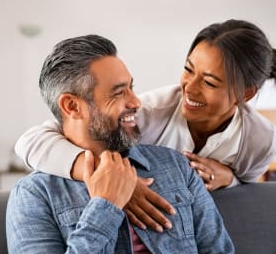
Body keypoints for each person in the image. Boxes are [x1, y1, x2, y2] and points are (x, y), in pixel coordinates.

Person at [6, 34, 244, 254]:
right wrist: (104, 207)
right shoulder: (34, 195)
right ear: (72, 106)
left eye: (131, 87)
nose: (136, 102)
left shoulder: (176, 165)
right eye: (119, 92)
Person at [15, 19, 276, 231]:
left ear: (246, 94)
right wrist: (105, 176)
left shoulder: (259, 141)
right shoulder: (148, 113)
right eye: (188, 69)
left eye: (209, 82)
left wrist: (229, 179)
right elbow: (31, 141)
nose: (190, 88)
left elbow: (246, 197)